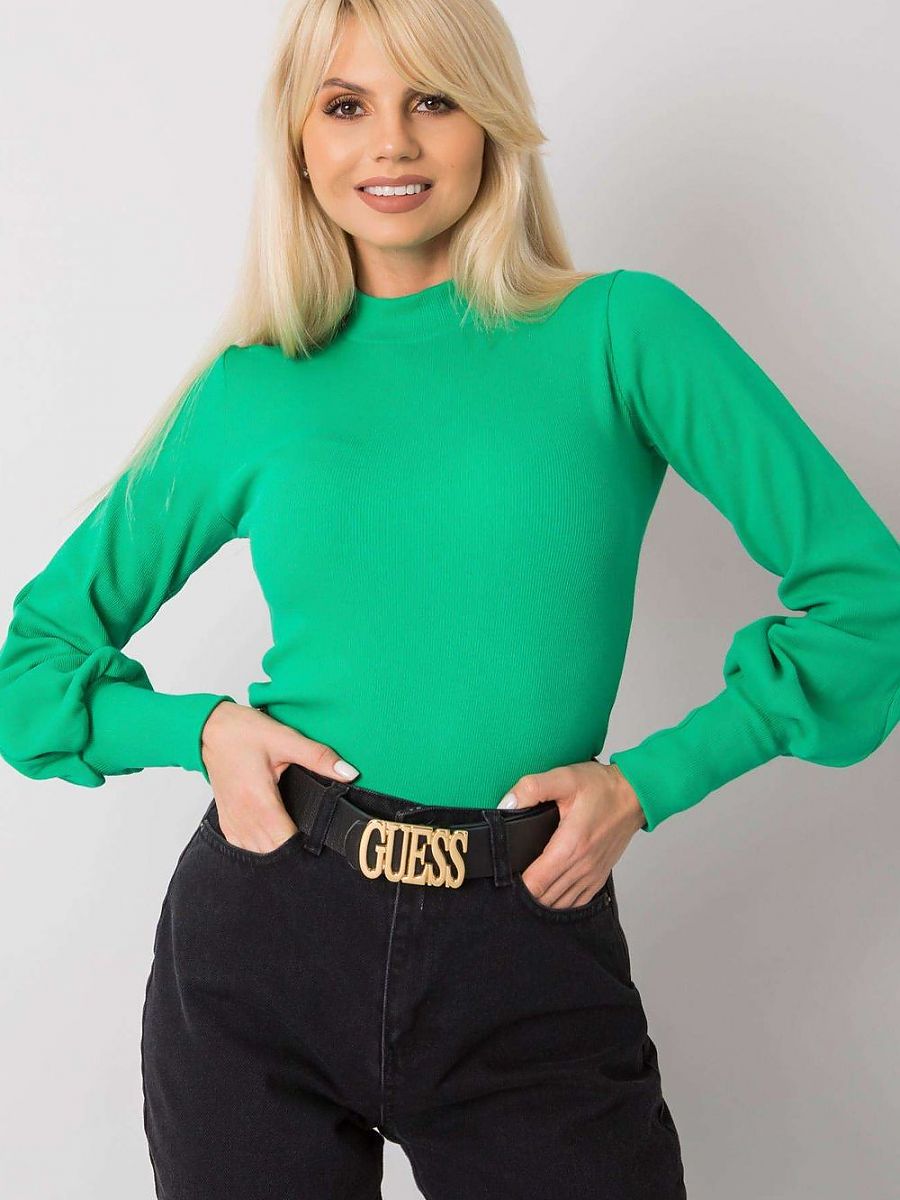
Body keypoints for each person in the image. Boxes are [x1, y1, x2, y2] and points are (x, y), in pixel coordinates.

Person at [1, 0, 898, 1196]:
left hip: (528, 945)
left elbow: (869, 603)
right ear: (300, 140)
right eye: (346, 105)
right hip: (265, 939)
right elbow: (31, 666)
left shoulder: (622, 333)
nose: (392, 142)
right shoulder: (254, 387)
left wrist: (651, 782)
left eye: (432, 98)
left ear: (490, 121)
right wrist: (200, 732)